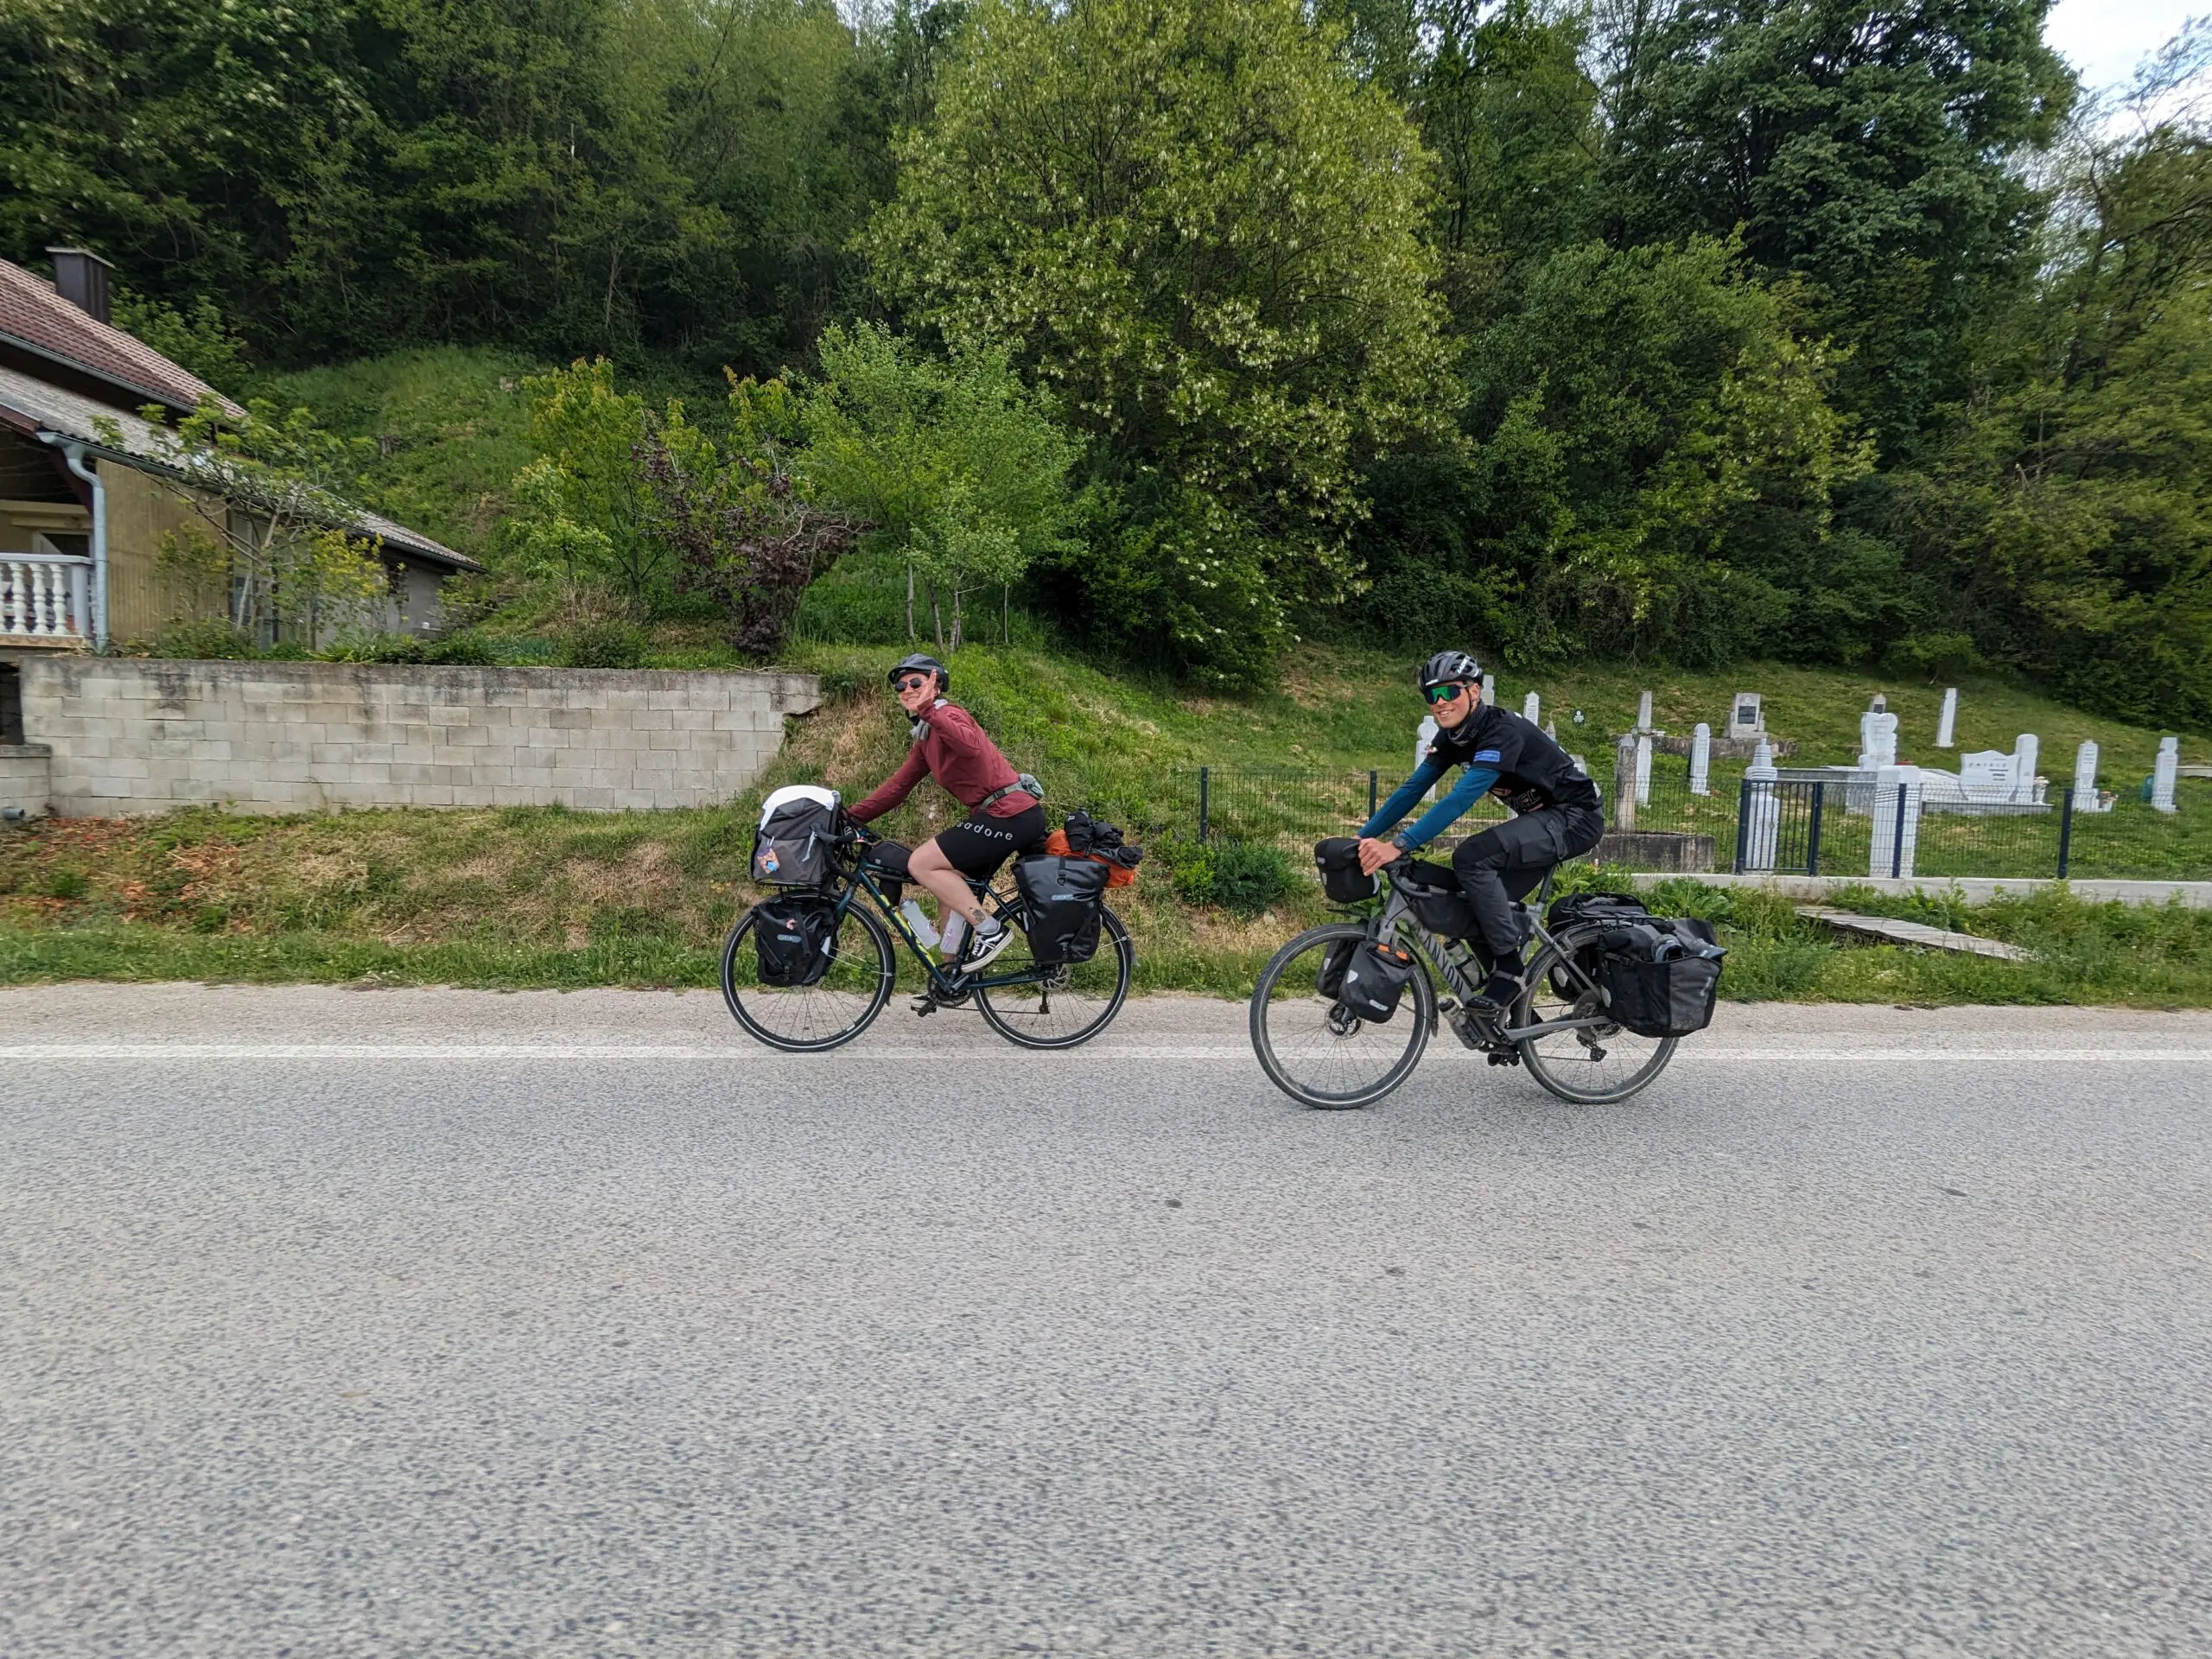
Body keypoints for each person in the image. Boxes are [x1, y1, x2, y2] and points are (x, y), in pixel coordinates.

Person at [1356, 651, 1604, 1015]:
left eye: (1449, 693)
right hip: (1544, 819)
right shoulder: (1453, 737)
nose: (1440, 704)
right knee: (1474, 898)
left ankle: (1510, 972)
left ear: (1474, 692)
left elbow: (1460, 799)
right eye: (1431, 696)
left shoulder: (1502, 732)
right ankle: (1515, 1018)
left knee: (1472, 856)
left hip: (1575, 817)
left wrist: (1400, 844)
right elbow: (1414, 789)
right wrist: (1361, 838)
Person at [846, 653, 1044, 971]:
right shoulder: (927, 737)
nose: (907, 689)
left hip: (1010, 814)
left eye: (916, 682)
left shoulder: (949, 715)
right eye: (900, 685)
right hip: (998, 816)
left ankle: (990, 930)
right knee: (949, 882)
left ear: (936, 685)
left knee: (922, 864)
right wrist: (849, 816)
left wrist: (928, 709)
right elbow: (897, 789)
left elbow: (971, 746)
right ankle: (952, 971)